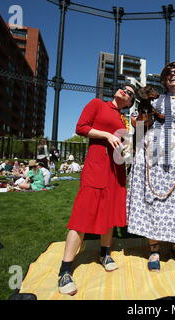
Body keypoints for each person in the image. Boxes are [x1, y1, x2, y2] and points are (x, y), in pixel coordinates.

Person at [58, 84, 136, 296]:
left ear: (129, 103)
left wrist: (128, 145)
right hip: (96, 166)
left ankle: (105, 253)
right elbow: (81, 127)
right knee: (82, 214)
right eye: (123, 88)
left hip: (116, 169)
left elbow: (125, 144)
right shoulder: (97, 104)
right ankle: (65, 270)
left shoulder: (124, 120)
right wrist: (106, 135)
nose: (125, 92)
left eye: (130, 93)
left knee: (110, 212)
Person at [127, 62, 175, 272]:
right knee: (153, 198)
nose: (172, 74)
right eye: (168, 73)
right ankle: (154, 248)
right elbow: (138, 124)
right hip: (153, 151)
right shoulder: (155, 99)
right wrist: (144, 113)